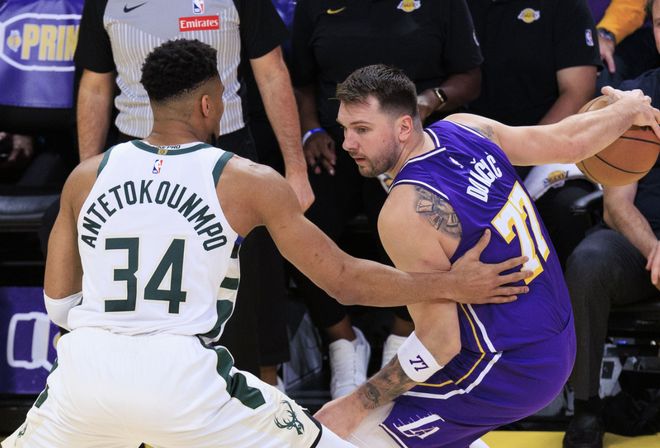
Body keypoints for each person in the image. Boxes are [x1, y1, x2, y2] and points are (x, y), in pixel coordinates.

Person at [1, 40, 534, 448]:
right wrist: (450, 283)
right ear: (209, 104)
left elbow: (59, 306)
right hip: (184, 379)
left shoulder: (86, 176)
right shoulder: (246, 179)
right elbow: (344, 280)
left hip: (84, 377)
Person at [312, 64, 660, 448]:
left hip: (510, 367)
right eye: (345, 128)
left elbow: (439, 343)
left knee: (351, 435)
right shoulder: (464, 128)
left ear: (404, 127)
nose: (347, 143)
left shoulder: (404, 212)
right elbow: (566, 141)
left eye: (361, 129)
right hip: (558, 337)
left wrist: (355, 403)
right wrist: (626, 109)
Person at [74, 0, 314, 376]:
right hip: (136, 151)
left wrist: (296, 168)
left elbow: (272, 73)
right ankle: (147, 379)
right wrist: (88, 176)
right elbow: (95, 86)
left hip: (225, 144)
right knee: (150, 275)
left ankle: (264, 384)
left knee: (249, 277)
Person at [291, 0, 484, 399]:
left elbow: (470, 78)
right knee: (299, 221)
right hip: (339, 142)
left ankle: (403, 337)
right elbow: (302, 81)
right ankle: (343, 342)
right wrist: (310, 130)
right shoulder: (314, 5)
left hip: (412, 141)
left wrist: (431, 100)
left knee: (410, 222)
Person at [563, 1, 660, 446]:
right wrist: (654, 249)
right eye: (659, 23)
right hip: (639, 246)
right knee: (589, 262)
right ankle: (586, 410)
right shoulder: (634, 99)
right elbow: (616, 206)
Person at [467, 0, 601, 269]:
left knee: (569, 207)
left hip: (549, 145)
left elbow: (577, 93)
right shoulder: (457, 6)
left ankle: (568, 294)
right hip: (472, 146)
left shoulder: (566, 6)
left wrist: (521, 152)